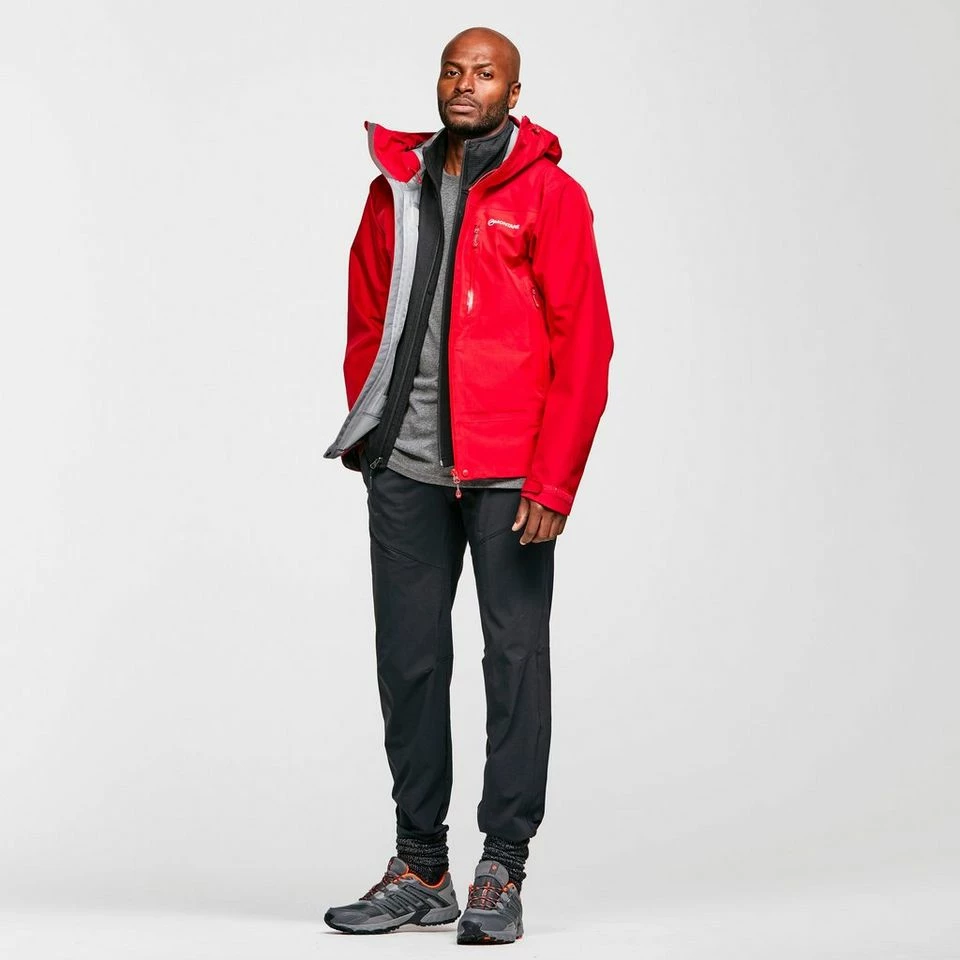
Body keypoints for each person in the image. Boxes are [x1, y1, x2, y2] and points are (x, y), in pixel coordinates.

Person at [322, 26, 613, 945]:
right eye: (453, 70)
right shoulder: (396, 189)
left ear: (513, 93)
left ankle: (503, 867)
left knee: (514, 662)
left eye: (485, 74)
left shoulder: (552, 196)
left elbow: (585, 345)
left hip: (509, 473)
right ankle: (421, 867)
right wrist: (372, 434)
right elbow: (367, 310)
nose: (465, 84)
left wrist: (554, 481)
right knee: (409, 663)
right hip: (407, 467)